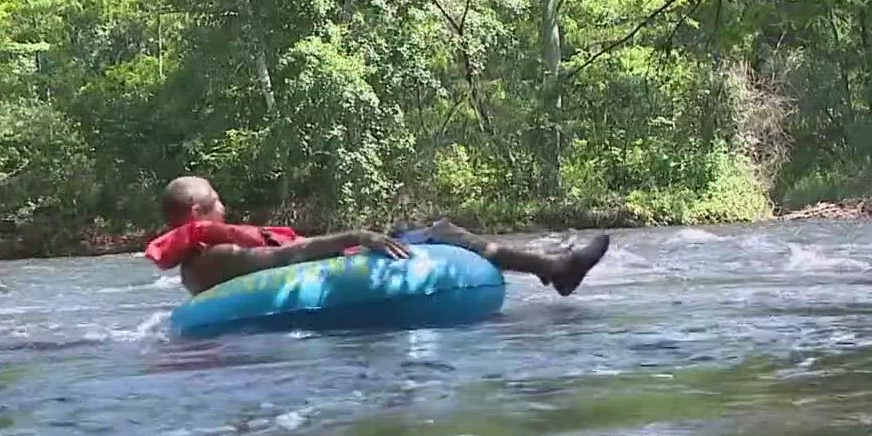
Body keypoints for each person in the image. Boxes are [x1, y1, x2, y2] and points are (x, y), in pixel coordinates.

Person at [145, 175, 612, 296]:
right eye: (217, 199)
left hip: (317, 274)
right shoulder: (216, 256)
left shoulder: (198, 261)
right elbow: (287, 258)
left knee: (430, 232)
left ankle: (554, 267)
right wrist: (360, 236)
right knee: (441, 230)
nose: (225, 207)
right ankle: (555, 268)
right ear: (197, 211)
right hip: (326, 274)